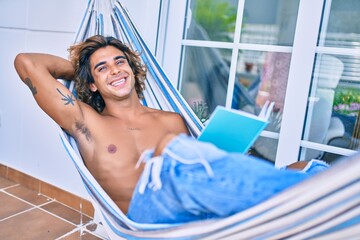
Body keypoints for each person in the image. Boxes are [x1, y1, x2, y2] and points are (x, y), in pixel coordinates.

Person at [14, 35, 329, 224]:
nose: (115, 69)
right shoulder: (86, 122)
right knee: (170, 153)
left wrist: (225, 153)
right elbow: (27, 63)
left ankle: (321, 194)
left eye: (120, 62)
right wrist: (86, 73)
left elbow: (203, 177)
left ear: (132, 70)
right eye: (103, 67)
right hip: (147, 219)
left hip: (200, 213)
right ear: (92, 85)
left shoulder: (172, 119)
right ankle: (313, 202)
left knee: (304, 168)